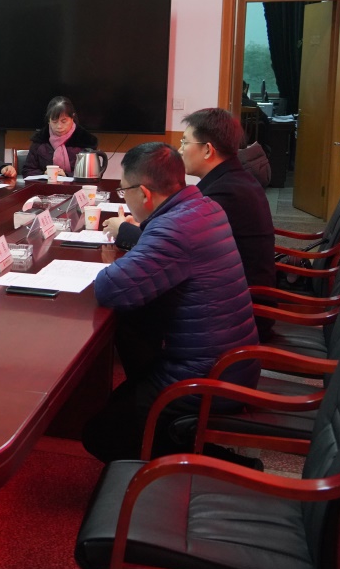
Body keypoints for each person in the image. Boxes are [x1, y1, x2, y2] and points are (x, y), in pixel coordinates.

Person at [82, 142, 259, 463]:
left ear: (144, 194)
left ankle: (226, 464)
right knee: (132, 338)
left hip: (210, 377)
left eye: (124, 192)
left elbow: (110, 288)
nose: (125, 198)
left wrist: (127, 245)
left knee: (101, 433)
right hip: (230, 361)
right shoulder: (203, 206)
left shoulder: (174, 229)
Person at [105, 108, 276, 291]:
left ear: (207, 150)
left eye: (185, 142)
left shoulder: (225, 194)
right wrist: (145, 228)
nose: (180, 150)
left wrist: (124, 231)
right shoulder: (233, 178)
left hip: (241, 294)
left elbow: (172, 250)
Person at [22, 96, 99, 177]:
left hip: (76, 185)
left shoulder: (86, 141)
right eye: (54, 121)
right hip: (46, 184)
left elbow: (93, 173)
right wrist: (44, 174)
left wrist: (66, 175)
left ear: (72, 118)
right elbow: (27, 171)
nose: (59, 126)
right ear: (49, 120)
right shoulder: (40, 140)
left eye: (64, 121)